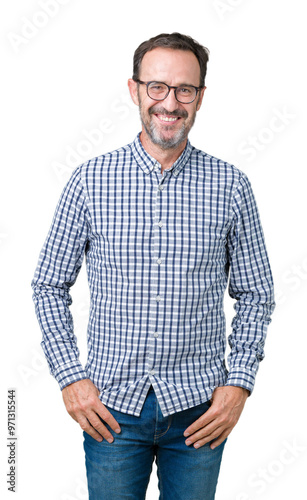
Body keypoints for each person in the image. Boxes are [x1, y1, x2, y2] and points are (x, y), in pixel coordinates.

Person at [31, 32, 275, 499]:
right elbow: (48, 285)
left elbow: (257, 293)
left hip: (200, 412)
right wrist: (70, 378)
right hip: (111, 411)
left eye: (185, 89)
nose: (170, 102)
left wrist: (238, 384)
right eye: (157, 87)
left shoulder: (231, 186)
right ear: (134, 90)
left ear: (201, 97)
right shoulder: (90, 180)